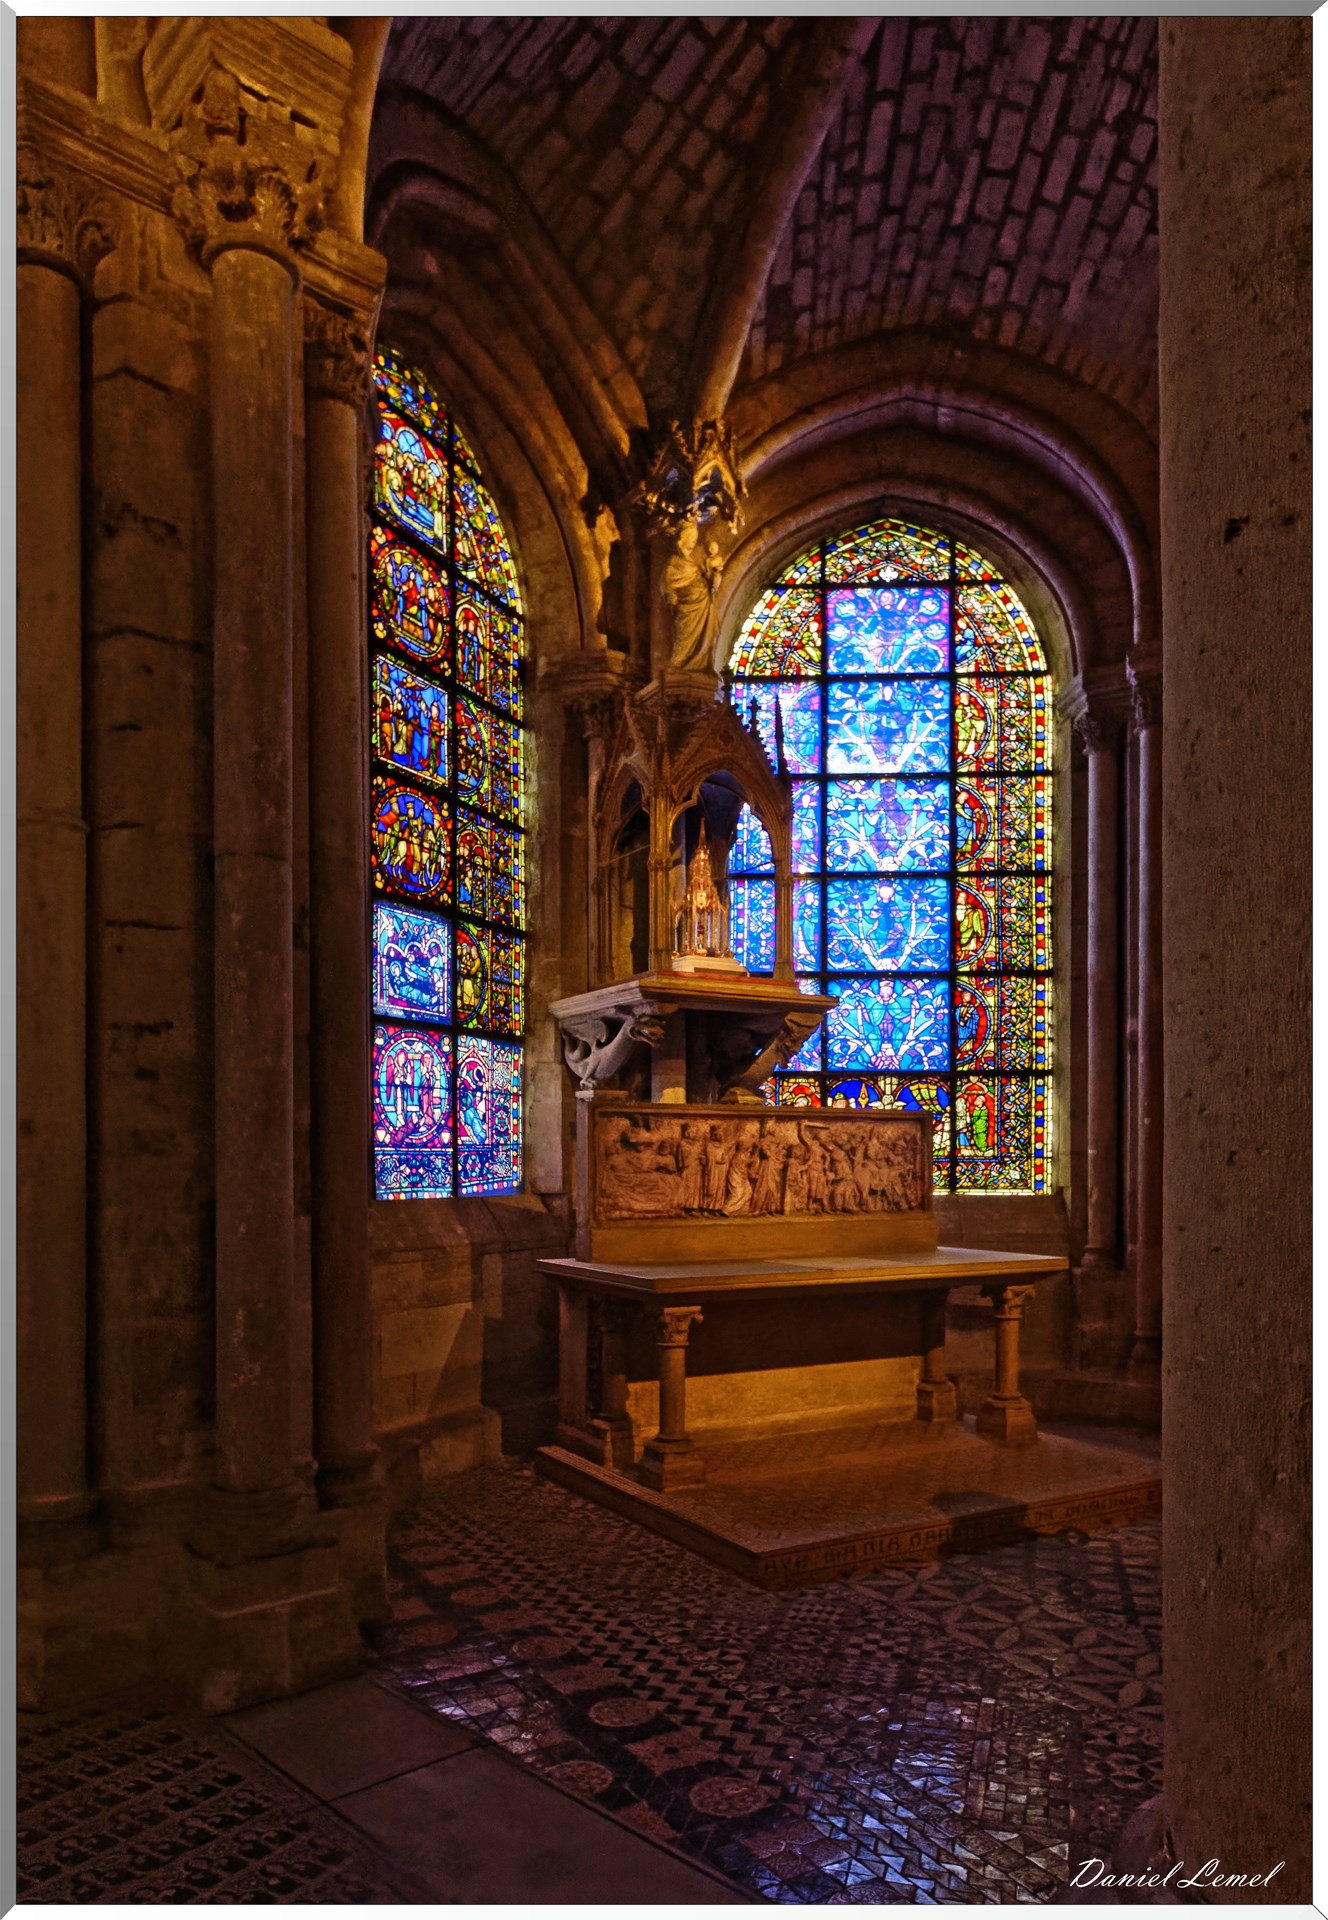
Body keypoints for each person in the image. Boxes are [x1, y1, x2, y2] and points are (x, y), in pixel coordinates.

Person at [661, 517, 723, 673]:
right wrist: (672, 598)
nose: (694, 542)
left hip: (703, 605)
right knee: (683, 640)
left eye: (695, 538)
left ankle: (699, 664)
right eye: (691, 538)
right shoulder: (674, 562)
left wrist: (713, 577)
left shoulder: (694, 564)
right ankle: (679, 664)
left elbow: (707, 578)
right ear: (683, 539)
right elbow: (667, 584)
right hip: (687, 609)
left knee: (707, 638)